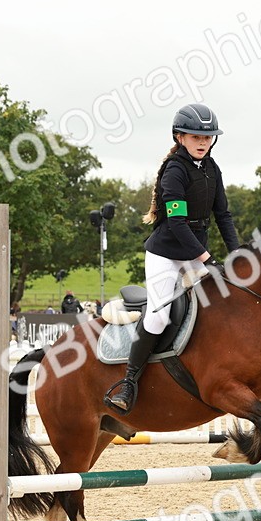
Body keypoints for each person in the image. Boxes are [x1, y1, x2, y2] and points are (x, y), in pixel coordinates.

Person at [104, 103, 240, 413]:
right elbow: (177, 224)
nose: (203, 142)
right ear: (180, 137)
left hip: (195, 251)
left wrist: (237, 254)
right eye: (196, 137)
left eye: (208, 137)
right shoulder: (175, 170)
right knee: (159, 315)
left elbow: (223, 215)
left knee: (224, 298)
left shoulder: (212, 169)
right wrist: (207, 259)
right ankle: (128, 383)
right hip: (166, 254)